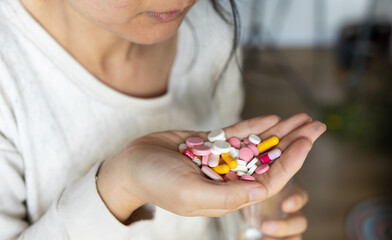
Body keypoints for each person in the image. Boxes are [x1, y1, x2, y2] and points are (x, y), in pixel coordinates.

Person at [0, 0, 326, 239]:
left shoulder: (211, 25)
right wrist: (122, 185)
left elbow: (223, 158)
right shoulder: (10, 79)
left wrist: (250, 216)